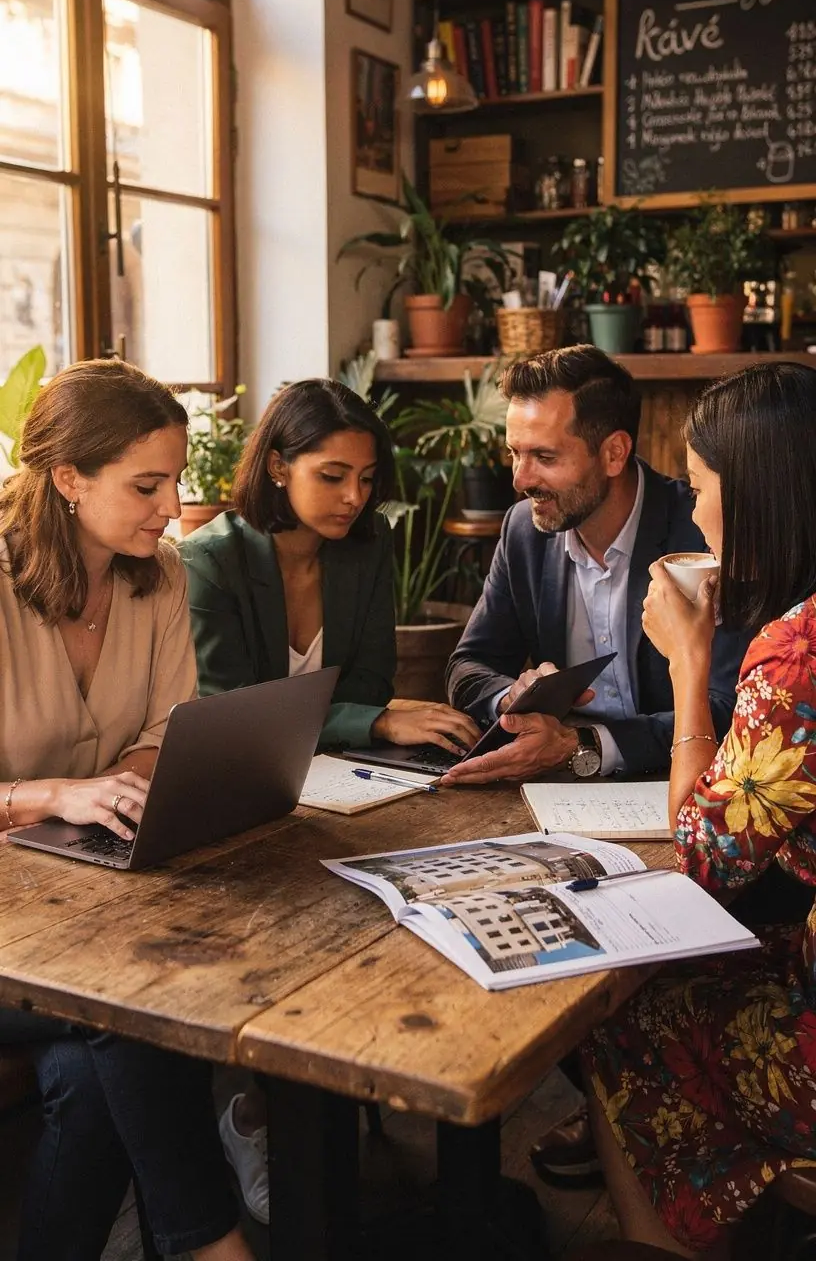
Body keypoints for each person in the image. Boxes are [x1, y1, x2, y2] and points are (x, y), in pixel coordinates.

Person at [179, 375, 479, 1223]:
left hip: (345, 779)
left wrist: (373, 719)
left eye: (366, 477)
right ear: (277, 466)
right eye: (332, 475)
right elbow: (228, 707)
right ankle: (253, 1108)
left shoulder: (362, 549)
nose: (355, 497)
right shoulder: (209, 560)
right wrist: (371, 718)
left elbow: (376, 676)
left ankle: (373, 1077)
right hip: (247, 790)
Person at [0, 359, 252, 1261]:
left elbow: (161, 729)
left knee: (91, 1075)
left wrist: (134, 782)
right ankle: (211, 1242)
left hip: (82, 905)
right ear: (68, 479)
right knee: (129, 1013)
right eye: (147, 485)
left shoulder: (161, 578)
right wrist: (56, 795)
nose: (172, 505)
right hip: (15, 931)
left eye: (175, 479)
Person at [583, 361, 816, 1258]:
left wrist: (689, 665)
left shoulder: (796, 658)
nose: (695, 515)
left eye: (704, 487)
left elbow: (703, 859)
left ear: (756, 496)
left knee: (629, 1010)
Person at [442, 346, 747, 788]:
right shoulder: (523, 531)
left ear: (614, 453)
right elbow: (469, 665)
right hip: (557, 793)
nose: (520, 480)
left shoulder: (703, 530)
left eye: (544, 458)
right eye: (514, 453)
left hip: (681, 787)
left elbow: (730, 703)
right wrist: (511, 699)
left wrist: (586, 744)